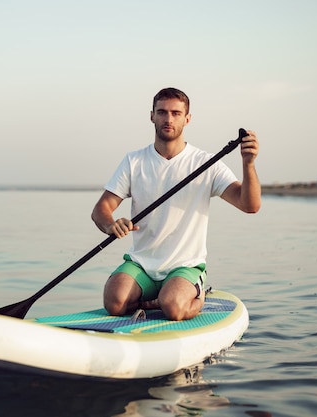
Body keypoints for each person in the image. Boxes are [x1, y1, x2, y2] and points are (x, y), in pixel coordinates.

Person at [91, 87, 261, 321]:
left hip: (185, 265)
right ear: (151, 116)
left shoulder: (206, 163)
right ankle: (155, 298)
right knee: (114, 302)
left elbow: (249, 205)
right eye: (162, 112)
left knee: (173, 307)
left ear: (187, 119)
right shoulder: (134, 161)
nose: (168, 119)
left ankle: (197, 295)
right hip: (142, 264)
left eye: (176, 113)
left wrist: (248, 164)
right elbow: (101, 210)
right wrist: (111, 225)